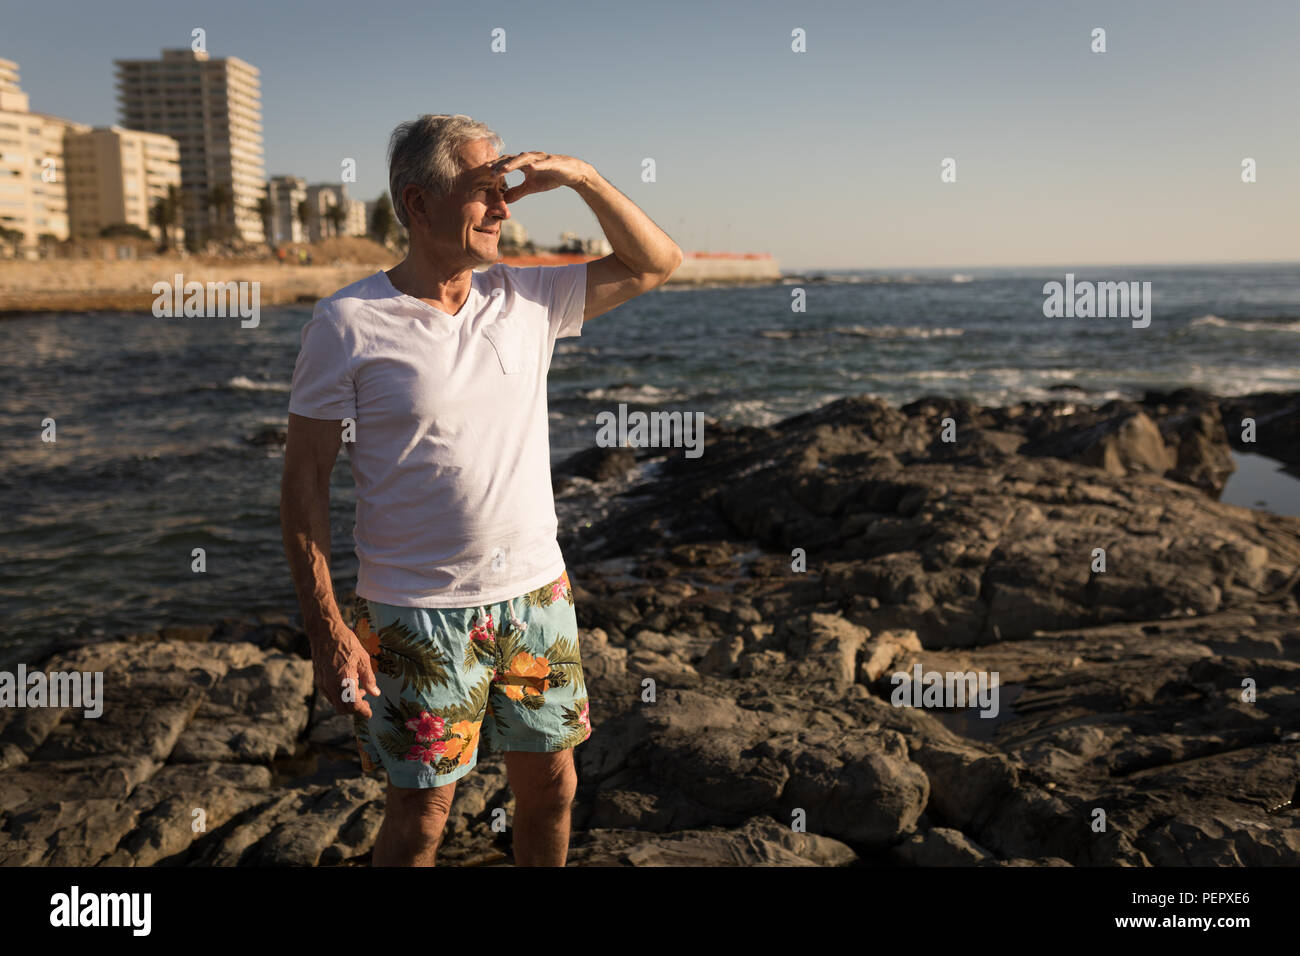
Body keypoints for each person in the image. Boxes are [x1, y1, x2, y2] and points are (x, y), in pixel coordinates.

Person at [280, 113, 682, 866]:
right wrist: (326, 630)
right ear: (417, 202)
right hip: (414, 612)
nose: (505, 208)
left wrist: (584, 177)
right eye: (484, 191)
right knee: (424, 818)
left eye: (506, 190)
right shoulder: (348, 323)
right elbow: (303, 484)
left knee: (554, 788)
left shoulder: (525, 299)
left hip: (535, 597)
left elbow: (657, 261)